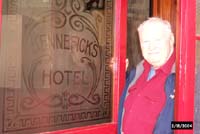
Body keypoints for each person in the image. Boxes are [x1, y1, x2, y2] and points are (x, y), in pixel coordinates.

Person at [118, 17, 176, 134]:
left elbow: (189, 124)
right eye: (145, 42)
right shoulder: (136, 73)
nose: (151, 47)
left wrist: (171, 128)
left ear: (171, 39)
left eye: (157, 40)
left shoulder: (187, 77)